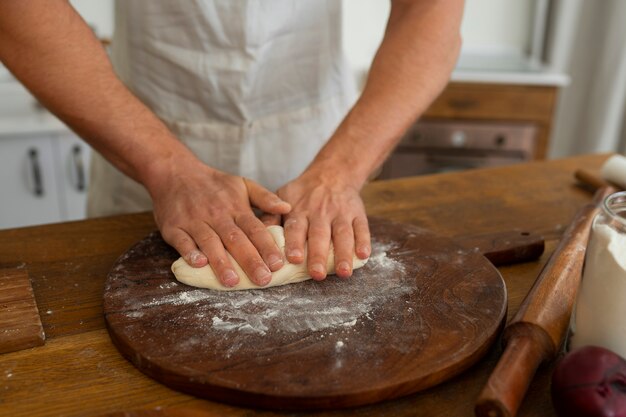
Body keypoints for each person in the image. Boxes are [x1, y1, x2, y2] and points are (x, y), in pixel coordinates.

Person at [0, 0, 464, 288]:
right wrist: (167, 169)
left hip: (322, 141)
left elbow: (431, 8)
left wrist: (341, 170)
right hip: (139, 142)